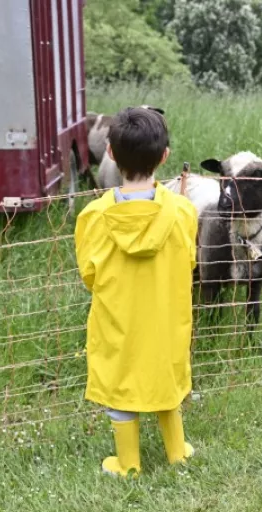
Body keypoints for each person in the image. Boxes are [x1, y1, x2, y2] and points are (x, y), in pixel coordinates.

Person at [74, 107, 198, 477]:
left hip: (119, 323)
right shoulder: (183, 212)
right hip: (166, 319)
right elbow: (189, 263)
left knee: (120, 381)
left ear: (109, 153)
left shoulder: (92, 217)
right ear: (164, 157)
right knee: (167, 375)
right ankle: (177, 451)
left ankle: (127, 463)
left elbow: (90, 276)